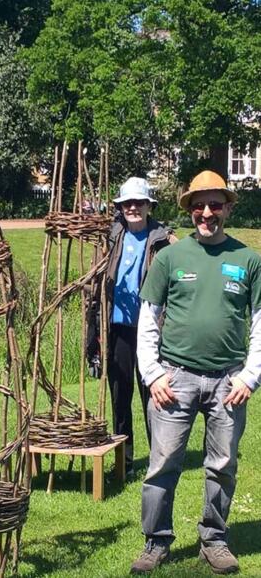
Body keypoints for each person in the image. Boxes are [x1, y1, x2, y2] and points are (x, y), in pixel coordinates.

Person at [130, 170, 260, 574]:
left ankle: (214, 540)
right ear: (189, 210)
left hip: (228, 381)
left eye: (215, 204)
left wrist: (249, 376)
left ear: (227, 207)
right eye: (199, 205)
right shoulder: (169, 258)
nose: (207, 212)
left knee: (222, 465)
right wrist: (152, 374)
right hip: (175, 378)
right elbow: (148, 320)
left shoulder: (248, 259)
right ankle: (156, 542)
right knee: (163, 462)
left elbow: (260, 322)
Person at [103, 177, 173, 478]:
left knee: (153, 394)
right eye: (127, 203)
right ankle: (125, 462)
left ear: (149, 206)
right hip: (117, 326)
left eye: (139, 202)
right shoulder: (112, 235)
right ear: (120, 207)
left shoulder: (161, 239)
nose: (133, 207)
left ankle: (160, 461)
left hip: (150, 330)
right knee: (120, 395)